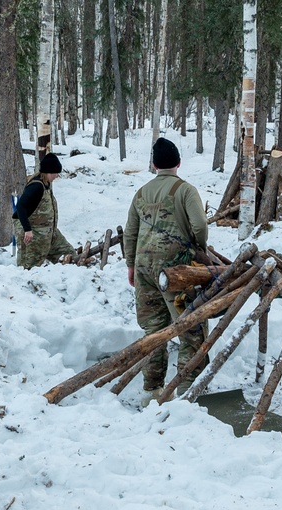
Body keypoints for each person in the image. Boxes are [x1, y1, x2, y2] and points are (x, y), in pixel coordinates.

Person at [123, 137, 210, 405]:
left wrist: (130, 265)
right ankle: (187, 388)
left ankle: (152, 389)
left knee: (154, 329)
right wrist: (200, 248)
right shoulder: (185, 190)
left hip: (144, 269)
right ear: (178, 163)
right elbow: (200, 226)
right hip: (176, 271)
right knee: (190, 325)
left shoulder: (140, 193)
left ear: (153, 164)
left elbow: (131, 232)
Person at [12, 153, 77, 268]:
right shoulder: (36, 186)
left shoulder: (46, 184)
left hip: (49, 232)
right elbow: (21, 206)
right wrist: (27, 230)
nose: (57, 176)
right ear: (48, 172)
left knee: (70, 254)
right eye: (55, 173)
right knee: (29, 266)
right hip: (33, 233)